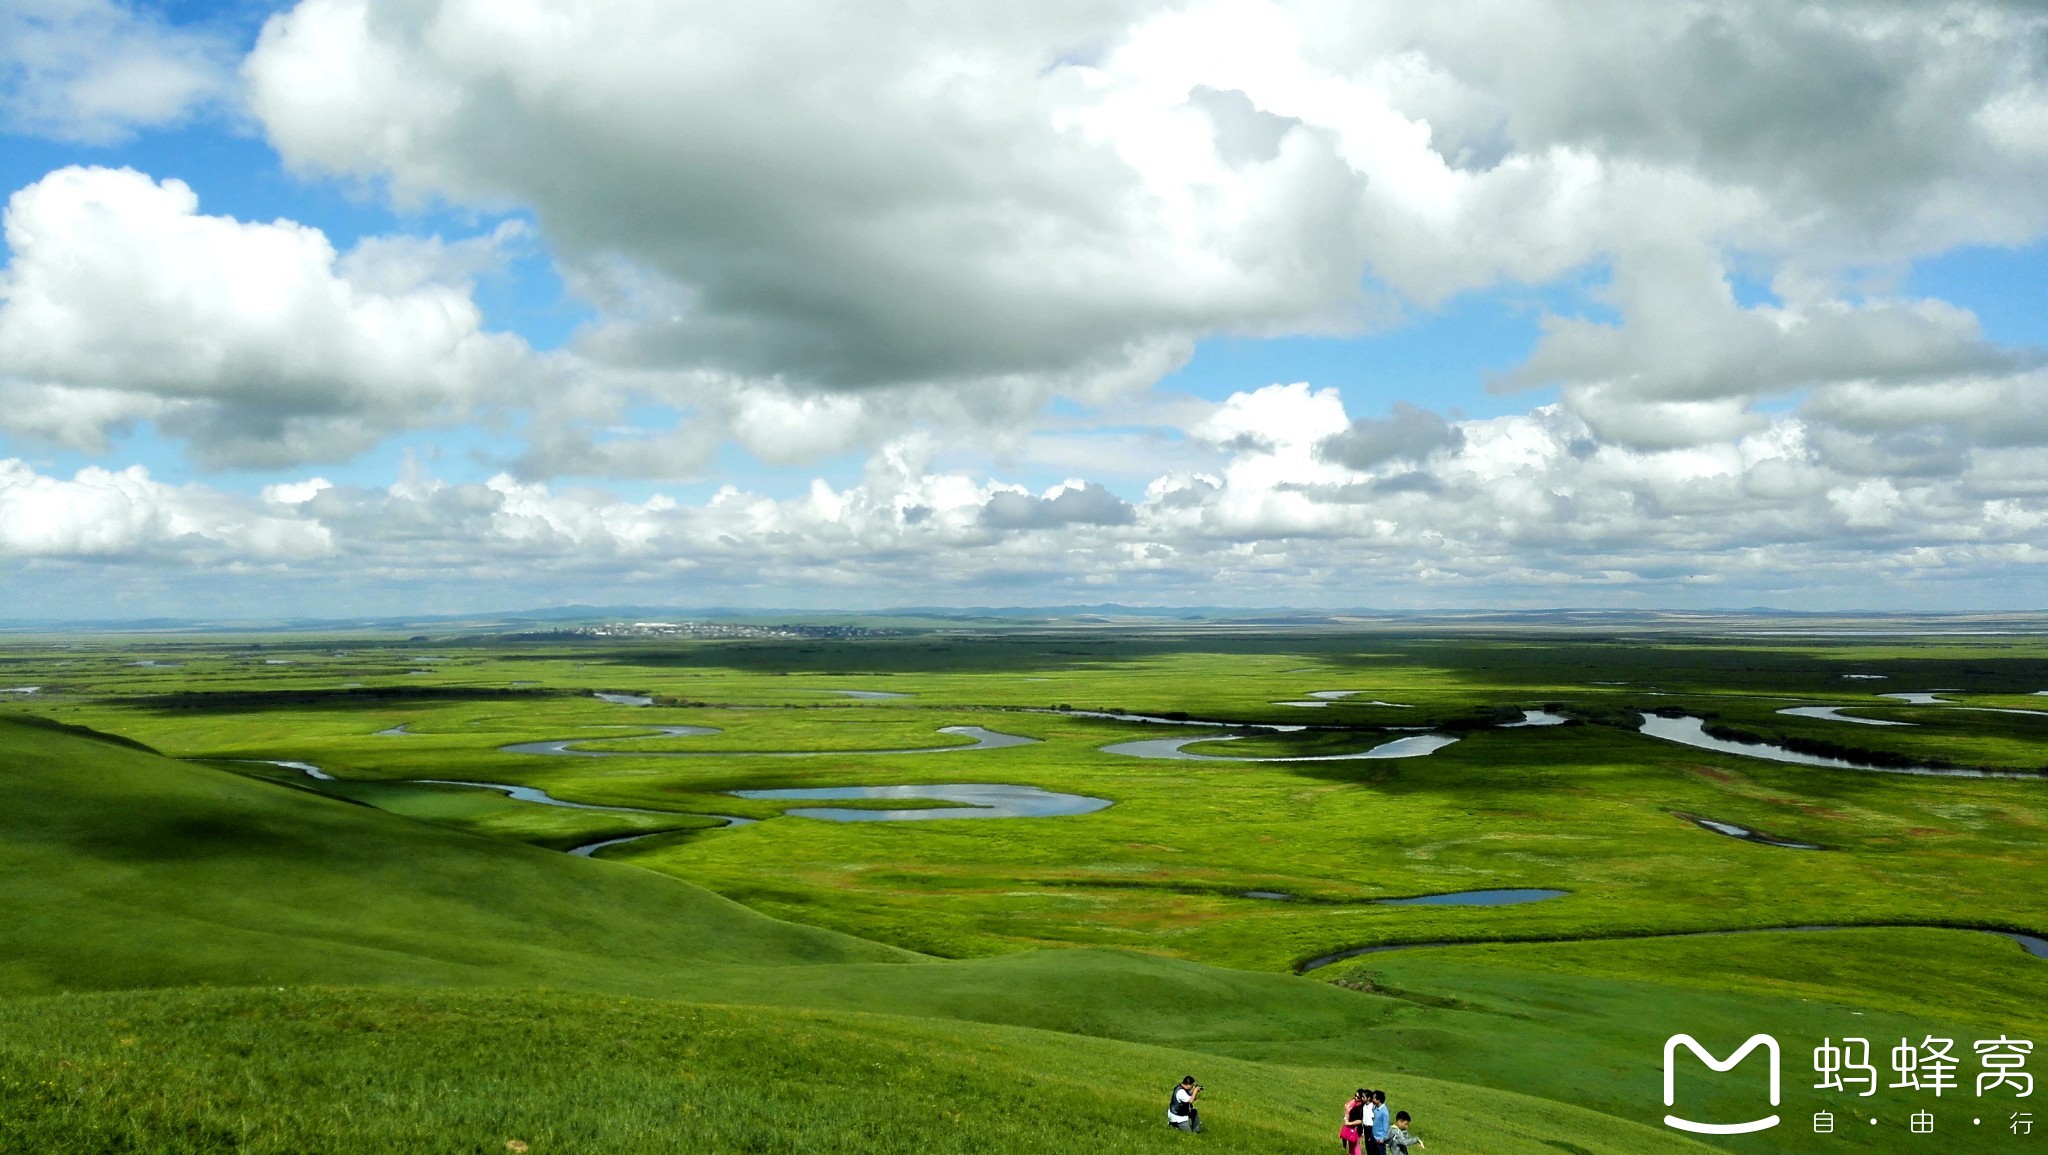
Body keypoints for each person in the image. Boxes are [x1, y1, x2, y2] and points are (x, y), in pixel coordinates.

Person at [1340, 1088, 1368, 1154]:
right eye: (1355, 1095)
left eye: (1357, 1097)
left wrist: (1349, 1123)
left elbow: (1359, 1121)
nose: (1355, 1097)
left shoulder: (1360, 1108)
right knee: (1351, 1147)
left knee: (1356, 1147)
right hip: (1351, 1128)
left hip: (1356, 1129)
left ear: (1361, 1098)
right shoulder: (1354, 1104)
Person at [1364, 1089, 1391, 1155]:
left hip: (1379, 1141)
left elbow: (1386, 1128)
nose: (1372, 1100)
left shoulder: (1384, 1112)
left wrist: (1382, 1138)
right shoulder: (1375, 1108)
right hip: (1373, 1137)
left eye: (1373, 1098)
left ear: (1378, 1100)